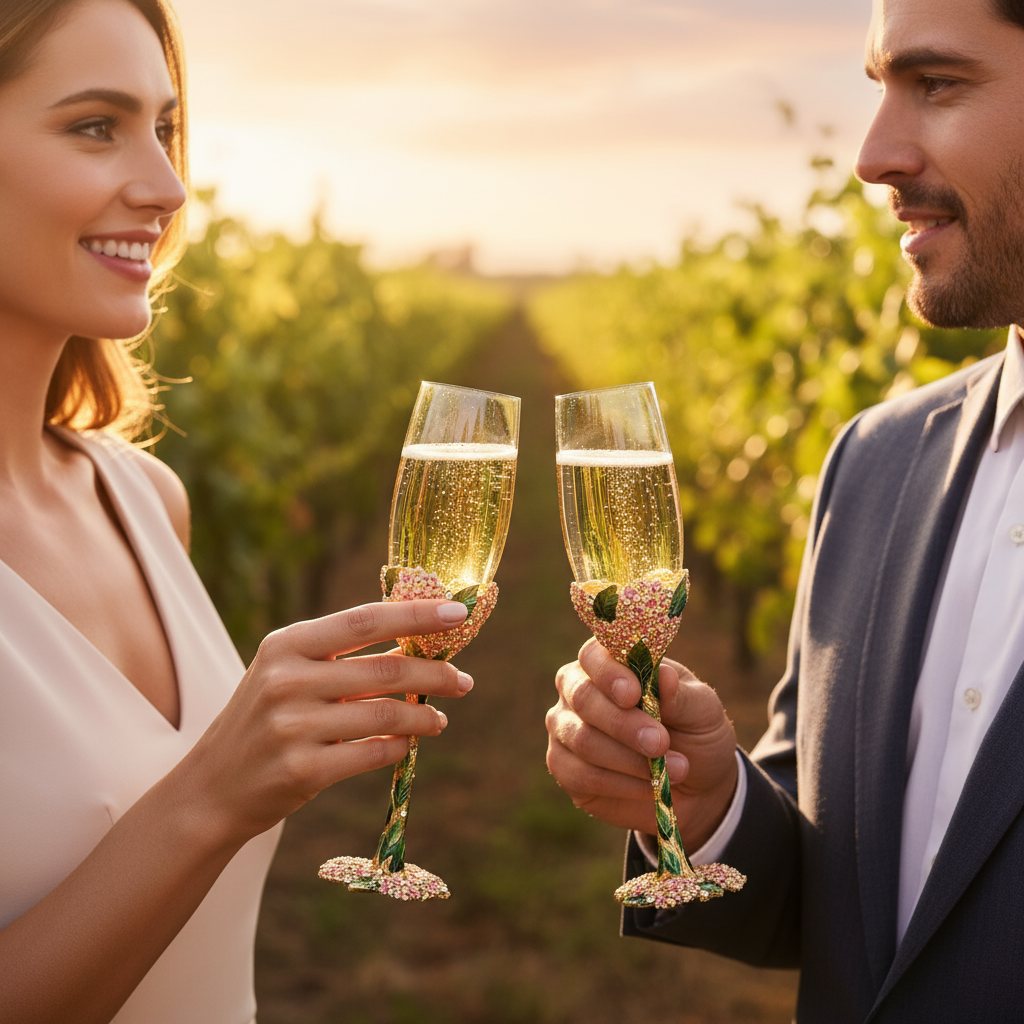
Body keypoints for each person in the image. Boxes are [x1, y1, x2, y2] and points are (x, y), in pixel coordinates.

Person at [545, 0, 1024, 1019]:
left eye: (935, 84)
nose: (872, 154)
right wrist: (709, 806)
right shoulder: (876, 462)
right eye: (877, 89)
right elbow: (836, 903)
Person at [0, 2, 477, 1022]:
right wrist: (214, 791)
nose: (167, 187)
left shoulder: (142, 497)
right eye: (96, 125)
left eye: (165, 129)